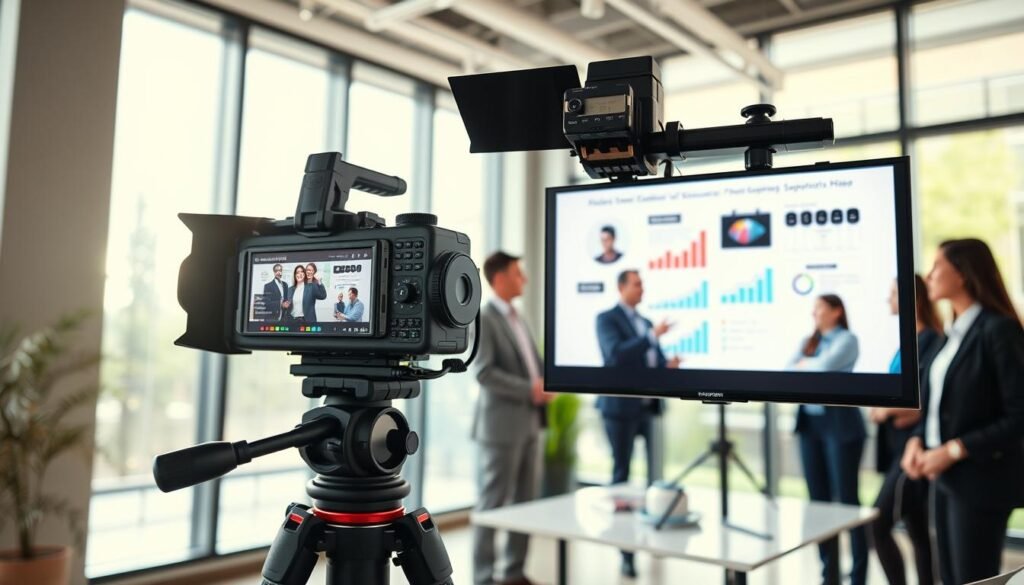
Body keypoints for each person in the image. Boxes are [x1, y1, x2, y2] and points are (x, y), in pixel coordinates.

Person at [901, 239, 1024, 584]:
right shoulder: (950, 335)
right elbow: (939, 407)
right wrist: (916, 440)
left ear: (964, 274)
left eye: (938, 265)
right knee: (951, 577)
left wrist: (953, 450)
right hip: (945, 478)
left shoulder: (998, 330)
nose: (930, 274)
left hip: (981, 478)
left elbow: (1018, 416)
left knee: (972, 578)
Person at [471, 251, 550, 585]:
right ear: (500, 278)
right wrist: (530, 389)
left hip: (530, 423)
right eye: (519, 273)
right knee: (492, 506)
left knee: (525, 503)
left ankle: (514, 571)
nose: (525, 279)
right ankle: (485, 577)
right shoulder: (485, 318)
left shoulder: (518, 317)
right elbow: (484, 372)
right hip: (501, 428)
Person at [594, 269, 679, 578]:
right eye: (637, 283)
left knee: (655, 478)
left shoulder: (644, 323)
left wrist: (668, 366)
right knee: (622, 477)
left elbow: (652, 358)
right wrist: (650, 338)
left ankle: (651, 537)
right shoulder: (607, 319)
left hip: (649, 409)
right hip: (619, 409)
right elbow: (615, 355)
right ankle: (624, 551)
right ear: (621, 287)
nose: (642, 288)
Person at [787, 294, 866, 585]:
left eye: (820, 308)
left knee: (847, 503)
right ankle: (828, 573)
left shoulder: (848, 339)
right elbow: (785, 371)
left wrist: (805, 365)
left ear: (836, 311)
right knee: (817, 503)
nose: (814, 314)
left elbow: (823, 369)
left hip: (840, 425)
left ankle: (858, 575)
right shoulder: (810, 342)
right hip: (810, 425)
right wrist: (811, 364)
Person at [868, 275, 942, 585]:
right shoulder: (908, 342)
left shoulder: (932, 341)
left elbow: (919, 403)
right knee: (917, 529)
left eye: (895, 293)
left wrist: (884, 409)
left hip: (911, 450)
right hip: (898, 444)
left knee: (876, 524)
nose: (889, 299)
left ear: (915, 299)